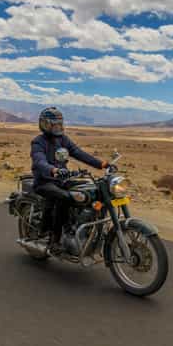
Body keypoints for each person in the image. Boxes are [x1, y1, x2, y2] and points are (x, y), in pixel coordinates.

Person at [31, 107, 109, 252]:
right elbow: (38, 161)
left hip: (62, 180)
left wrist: (101, 164)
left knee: (90, 190)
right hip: (44, 181)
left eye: (60, 124)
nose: (58, 127)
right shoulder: (38, 142)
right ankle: (54, 239)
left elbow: (78, 152)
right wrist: (53, 170)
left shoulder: (62, 139)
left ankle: (82, 227)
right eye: (54, 124)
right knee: (66, 198)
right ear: (45, 125)